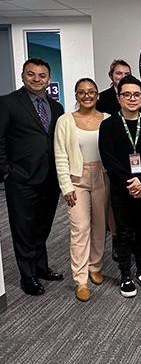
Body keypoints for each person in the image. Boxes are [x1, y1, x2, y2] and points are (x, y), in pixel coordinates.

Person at [0, 58, 64, 295]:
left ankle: (40, 267)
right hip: (21, 178)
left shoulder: (56, 107)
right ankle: (28, 277)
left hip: (49, 178)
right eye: (31, 74)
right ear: (23, 75)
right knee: (23, 228)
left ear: (49, 79)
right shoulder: (7, 103)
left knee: (42, 227)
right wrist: (6, 171)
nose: (37, 79)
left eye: (42, 75)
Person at [99, 75, 141, 298]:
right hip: (121, 187)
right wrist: (131, 181)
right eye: (126, 94)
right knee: (124, 231)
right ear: (118, 98)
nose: (132, 98)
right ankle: (125, 274)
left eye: (136, 94)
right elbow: (108, 159)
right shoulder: (108, 125)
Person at [54, 78, 109, 302]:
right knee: (80, 227)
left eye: (91, 92)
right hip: (76, 179)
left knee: (99, 225)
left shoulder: (107, 119)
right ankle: (80, 279)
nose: (87, 96)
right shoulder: (65, 121)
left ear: (97, 95)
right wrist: (66, 185)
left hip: (102, 177)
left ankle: (94, 266)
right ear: (76, 96)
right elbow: (60, 156)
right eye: (82, 92)